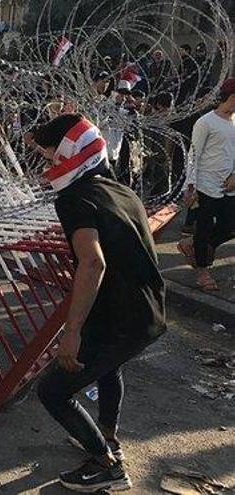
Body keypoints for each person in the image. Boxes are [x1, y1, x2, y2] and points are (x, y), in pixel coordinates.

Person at [24, 114, 166, 493]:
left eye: (52, 155)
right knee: (108, 367)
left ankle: (107, 465)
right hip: (147, 313)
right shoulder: (122, 191)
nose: (48, 164)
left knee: (52, 391)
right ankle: (106, 434)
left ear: (70, 154)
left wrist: (71, 332)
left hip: (121, 319)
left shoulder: (74, 198)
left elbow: (93, 261)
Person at [177, 78, 235, 291]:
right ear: (227, 98)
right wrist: (190, 186)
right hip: (205, 184)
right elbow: (194, 154)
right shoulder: (206, 122)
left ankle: (193, 245)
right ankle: (202, 272)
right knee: (204, 227)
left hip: (228, 185)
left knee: (230, 226)